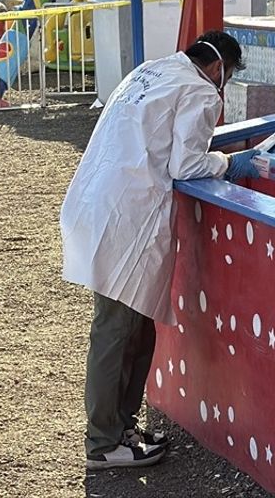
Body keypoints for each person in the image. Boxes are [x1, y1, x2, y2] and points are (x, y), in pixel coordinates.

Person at [61, 31, 259, 470]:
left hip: (100, 202)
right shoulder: (200, 90)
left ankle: (120, 428)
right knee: (116, 330)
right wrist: (231, 163)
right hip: (131, 217)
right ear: (217, 68)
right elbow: (186, 165)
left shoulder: (150, 71)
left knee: (135, 328)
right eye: (226, 78)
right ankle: (103, 442)